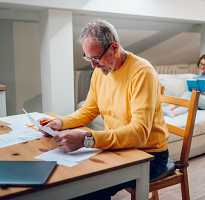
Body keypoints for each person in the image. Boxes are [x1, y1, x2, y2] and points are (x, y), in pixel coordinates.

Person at [41, 20, 169, 199]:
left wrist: (87, 139)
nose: (93, 65)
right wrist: (60, 123)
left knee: (86, 190)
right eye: (88, 58)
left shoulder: (142, 72)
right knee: (72, 181)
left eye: (96, 58)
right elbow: (88, 110)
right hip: (119, 149)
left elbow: (139, 133)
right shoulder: (100, 73)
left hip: (150, 154)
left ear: (114, 47)